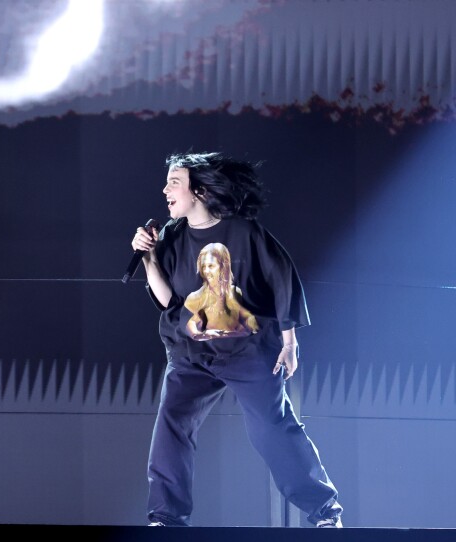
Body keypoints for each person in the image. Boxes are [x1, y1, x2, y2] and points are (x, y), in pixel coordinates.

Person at [130, 152, 343, 528]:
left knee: (272, 428)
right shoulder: (171, 236)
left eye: (173, 182)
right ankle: (166, 518)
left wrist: (290, 344)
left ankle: (324, 512)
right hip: (191, 355)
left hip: (247, 351)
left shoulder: (244, 233)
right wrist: (148, 258)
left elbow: (283, 280)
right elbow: (169, 301)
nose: (165, 190)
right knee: (171, 425)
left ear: (198, 190)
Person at [184, 242, 259, 341]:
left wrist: (250, 327)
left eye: (211, 266)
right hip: (211, 351)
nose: (206, 271)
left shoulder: (235, 292)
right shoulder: (195, 298)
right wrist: (202, 335)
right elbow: (190, 323)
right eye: (203, 266)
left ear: (223, 267)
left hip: (238, 348)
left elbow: (245, 316)